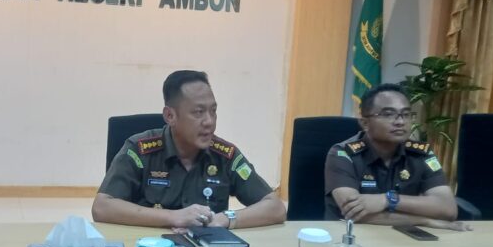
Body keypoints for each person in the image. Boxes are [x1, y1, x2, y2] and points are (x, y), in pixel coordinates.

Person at [92, 70, 287, 229]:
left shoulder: (225, 155)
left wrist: (225, 219)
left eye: (213, 111)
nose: (209, 122)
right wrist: (173, 217)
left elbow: (275, 207)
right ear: (170, 116)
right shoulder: (140, 150)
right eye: (198, 112)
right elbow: (102, 207)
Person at [323, 83, 469, 230]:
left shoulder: (421, 154)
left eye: (406, 114)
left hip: (402, 237)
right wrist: (424, 221)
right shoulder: (343, 154)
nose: (400, 122)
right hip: (350, 235)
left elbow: (448, 208)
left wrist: (389, 199)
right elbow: (353, 213)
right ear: (365, 123)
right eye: (388, 114)